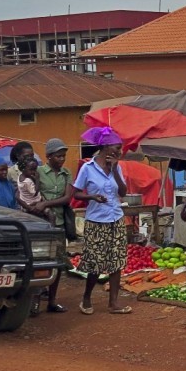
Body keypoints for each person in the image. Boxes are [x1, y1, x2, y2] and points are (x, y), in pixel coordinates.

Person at [73, 127, 131, 315]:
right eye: (117, 147)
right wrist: (92, 197)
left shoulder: (117, 167)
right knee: (95, 263)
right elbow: (76, 192)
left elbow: (122, 192)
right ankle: (87, 298)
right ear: (106, 147)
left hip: (116, 219)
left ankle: (113, 303)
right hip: (96, 221)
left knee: (116, 261)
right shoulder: (87, 168)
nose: (119, 152)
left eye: (120, 148)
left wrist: (114, 170)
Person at [33, 138, 74, 315]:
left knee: (57, 263)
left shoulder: (67, 174)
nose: (62, 159)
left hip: (59, 224)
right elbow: (34, 192)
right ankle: (34, 302)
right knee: (38, 262)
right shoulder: (39, 171)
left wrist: (46, 204)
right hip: (40, 223)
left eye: (63, 156)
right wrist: (41, 205)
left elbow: (67, 198)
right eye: (58, 156)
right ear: (48, 157)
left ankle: (52, 300)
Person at [16, 157, 55, 224]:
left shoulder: (20, 176)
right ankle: (52, 229)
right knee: (51, 214)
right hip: (33, 203)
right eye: (31, 170)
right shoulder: (27, 181)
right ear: (23, 169)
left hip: (26, 202)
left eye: (35, 169)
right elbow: (35, 192)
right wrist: (37, 179)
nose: (34, 172)